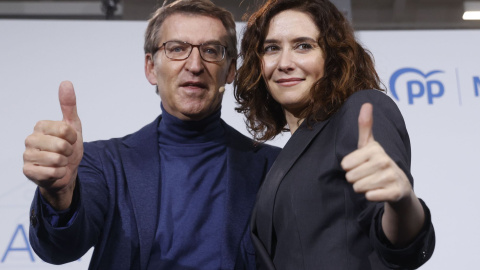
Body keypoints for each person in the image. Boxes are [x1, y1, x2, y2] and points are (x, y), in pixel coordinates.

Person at [22, 0, 281, 269]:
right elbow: (59, 249)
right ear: (150, 67)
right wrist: (58, 194)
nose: (194, 64)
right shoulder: (103, 163)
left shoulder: (274, 169)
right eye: (177, 49)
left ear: (230, 70)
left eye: (211, 50)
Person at [234, 0, 435, 269]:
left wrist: (402, 202)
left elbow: (398, 243)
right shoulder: (290, 153)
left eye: (303, 46)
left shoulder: (358, 110)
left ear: (333, 56)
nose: (284, 63)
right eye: (271, 48)